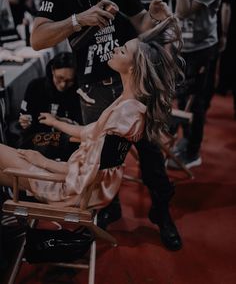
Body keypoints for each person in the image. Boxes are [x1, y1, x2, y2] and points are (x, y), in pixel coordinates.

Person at [30, 0, 182, 251]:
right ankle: (109, 208)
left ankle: (162, 214)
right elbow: (37, 39)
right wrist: (76, 20)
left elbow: (140, 22)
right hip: (93, 88)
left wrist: (152, 20)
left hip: (131, 83)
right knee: (101, 159)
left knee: (152, 154)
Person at [0, 14, 183, 219]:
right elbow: (88, 133)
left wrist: (42, 161)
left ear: (133, 68)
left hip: (70, 190)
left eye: (121, 50)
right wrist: (55, 122)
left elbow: (86, 174)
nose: (114, 48)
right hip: (80, 182)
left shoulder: (124, 116)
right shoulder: (127, 105)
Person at [137, 0, 225, 168]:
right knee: (183, 97)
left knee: (197, 102)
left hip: (202, 48)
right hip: (182, 45)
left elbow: (184, 10)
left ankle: (192, 152)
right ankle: (186, 141)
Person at [18, 52, 82, 161]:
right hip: (38, 140)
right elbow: (25, 119)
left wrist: (59, 121)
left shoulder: (80, 92)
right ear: (52, 70)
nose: (63, 85)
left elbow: (84, 129)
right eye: (59, 78)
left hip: (70, 142)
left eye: (69, 81)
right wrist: (24, 122)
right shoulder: (35, 87)